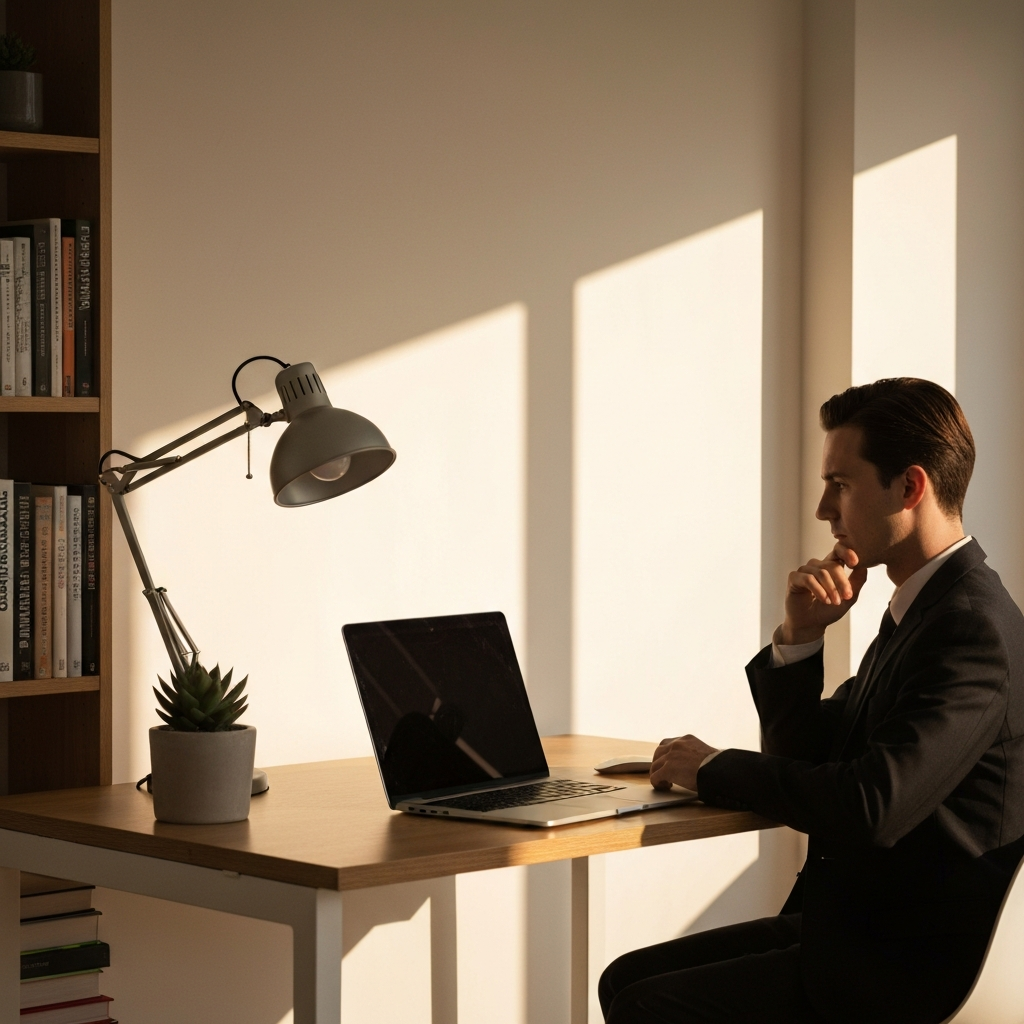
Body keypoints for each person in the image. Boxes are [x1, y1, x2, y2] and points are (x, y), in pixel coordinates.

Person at [599, 378, 1024, 1024]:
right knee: (624, 979)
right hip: (857, 931)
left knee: (645, 1004)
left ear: (910, 488)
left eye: (841, 484)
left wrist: (714, 767)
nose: (824, 509)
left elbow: (867, 805)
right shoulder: (923, 610)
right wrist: (799, 639)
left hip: (910, 968)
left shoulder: (970, 627)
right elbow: (814, 754)